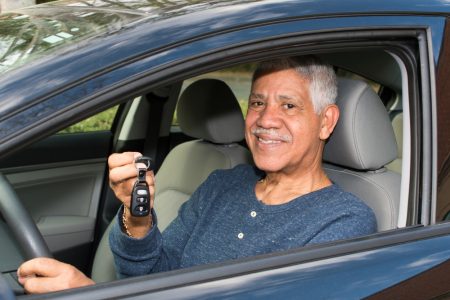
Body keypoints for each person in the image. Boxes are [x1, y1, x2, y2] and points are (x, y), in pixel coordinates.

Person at [17, 55, 377, 293]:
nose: (266, 120)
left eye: (288, 105)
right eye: (257, 102)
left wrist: (89, 294)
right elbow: (155, 277)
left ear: (325, 122)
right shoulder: (224, 183)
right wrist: (136, 216)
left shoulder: (344, 222)